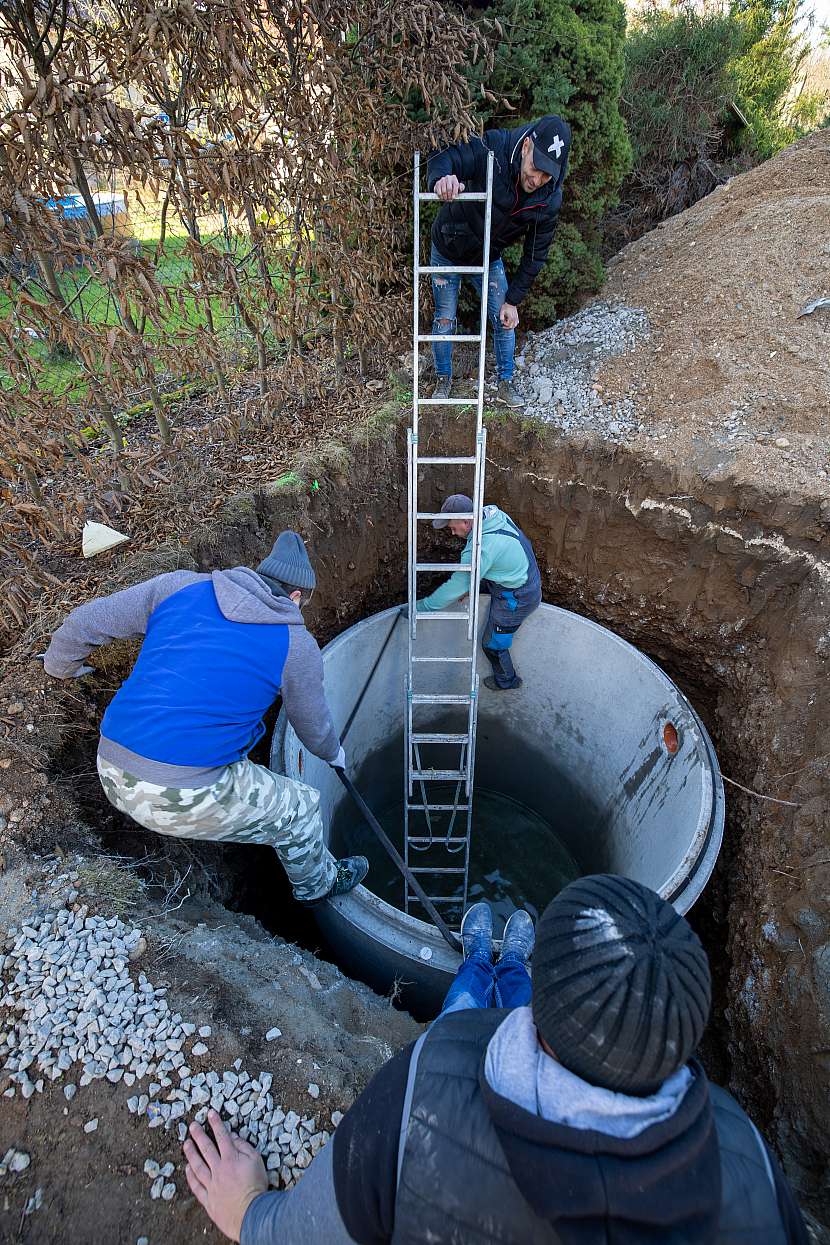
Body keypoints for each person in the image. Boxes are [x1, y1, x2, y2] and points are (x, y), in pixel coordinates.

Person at [182, 875, 808, 1244]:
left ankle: (478, 964)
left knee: (461, 1016)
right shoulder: (750, 1163)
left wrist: (250, 1214)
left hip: (467, 1051)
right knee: (504, 1002)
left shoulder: (423, 1101)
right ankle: (510, 964)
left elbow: (308, 1233)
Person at [42, 531, 367, 905]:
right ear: (295, 596)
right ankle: (318, 886)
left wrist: (59, 666)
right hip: (175, 792)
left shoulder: (178, 586)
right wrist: (333, 754)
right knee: (300, 808)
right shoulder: (295, 645)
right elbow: (312, 724)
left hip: (110, 762)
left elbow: (87, 620)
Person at [427, 115, 571, 411]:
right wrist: (442, 178)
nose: (537, 179)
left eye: (547, 176)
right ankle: (443, 380)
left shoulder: (548, 197)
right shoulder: (494, 148)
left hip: (487, 256)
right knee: (444, 319)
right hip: (448, 244)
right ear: (526, 146)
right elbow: (447, 155)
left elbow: (536, 253)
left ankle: (506, 382)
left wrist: (514, 300)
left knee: (505, 319)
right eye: (535, 169)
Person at [411, 493, 541, 691]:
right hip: (513, 575)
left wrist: (421, 607)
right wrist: (471, 586)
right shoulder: (492, 515)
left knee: (492, 644)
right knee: (470, 582)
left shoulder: (482, 549)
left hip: (518, 595)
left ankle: (507, 681)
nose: (452, 532)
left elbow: (458, 583)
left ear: (466, 520)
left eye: (452, 526)